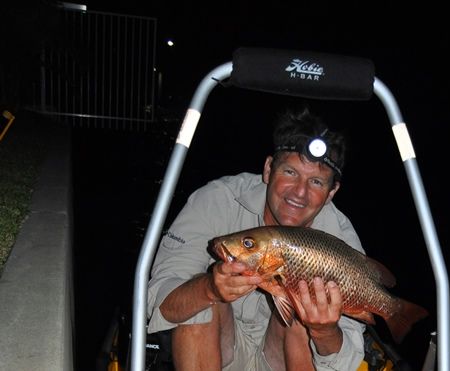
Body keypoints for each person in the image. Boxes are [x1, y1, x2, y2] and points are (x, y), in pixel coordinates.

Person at [147, 105, 366, 370]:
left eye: (316, 182)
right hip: (216, 352)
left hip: (279, 361)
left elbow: (347, 361)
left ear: (332, 192)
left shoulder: (340, 241)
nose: (299, 192)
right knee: (199, 298)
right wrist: (209, 289)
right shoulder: (217, 200)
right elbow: (158, 304)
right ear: (268, 168)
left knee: (303, 311)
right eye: (290, 172)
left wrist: (324, 331)